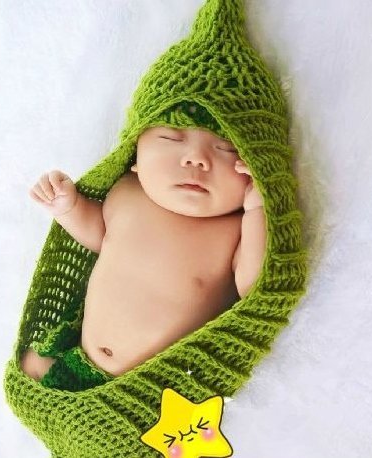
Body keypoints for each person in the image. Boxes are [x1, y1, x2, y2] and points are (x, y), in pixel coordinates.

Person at [20, 104, 266, 392]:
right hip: (80, 358)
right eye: (171, 138)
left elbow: (254, 286)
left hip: (152, 388)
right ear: (135, 156)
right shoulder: (127, 192)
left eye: (226, 148)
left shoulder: (235, 230)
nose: (197, 159)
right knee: (30, 364)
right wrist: (69, 208)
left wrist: (258, 209)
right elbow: (101, 237)